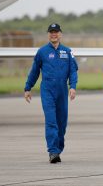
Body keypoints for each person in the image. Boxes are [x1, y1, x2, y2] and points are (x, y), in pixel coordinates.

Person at [24, 23, 78, 163]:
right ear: (48, 34)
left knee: (62, 123)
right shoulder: (42, 52)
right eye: (51, 32)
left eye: (56, 32)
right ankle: (53, 151)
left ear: (60, 34)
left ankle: (58, 148)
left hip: (62, 90)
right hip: (47, 90)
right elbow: (34, 71)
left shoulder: (67, 51)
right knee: (51, 121)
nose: (53, 34)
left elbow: (73, 70)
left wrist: (73, 87)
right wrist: (27, 88)